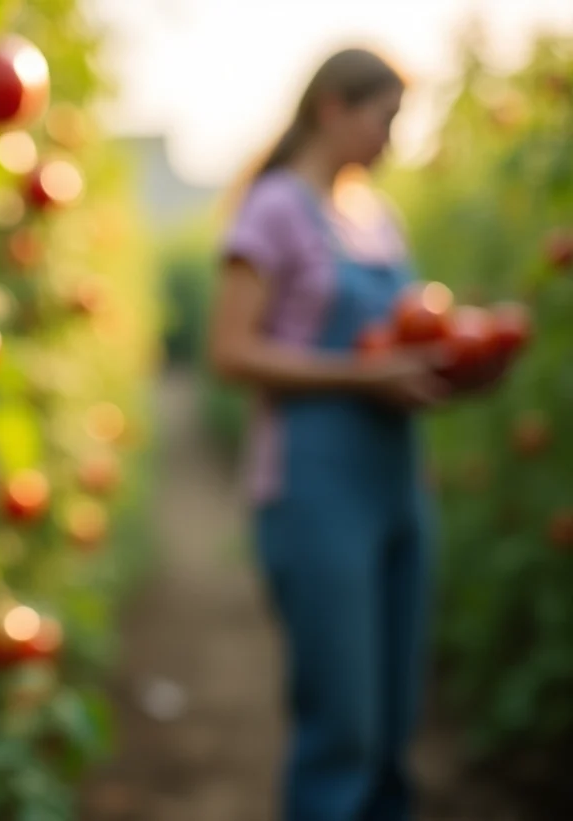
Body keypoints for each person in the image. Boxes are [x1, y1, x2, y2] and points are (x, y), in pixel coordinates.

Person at [208, 48, 463, 821]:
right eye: (385, 119)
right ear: (333, 109)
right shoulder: (276, 208)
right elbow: (230, 350)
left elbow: (399, 340)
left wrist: (458, 363)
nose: (393, 139)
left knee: (394, 719)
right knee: (342, 726)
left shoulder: (377, 216)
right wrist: (361, 378)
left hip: (396, 483)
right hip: (313, 491)